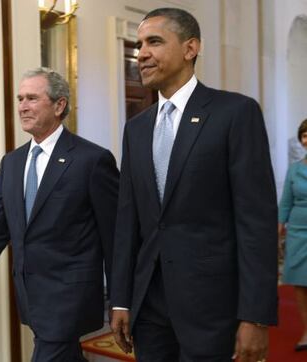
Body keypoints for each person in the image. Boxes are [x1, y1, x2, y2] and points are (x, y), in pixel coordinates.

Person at [110, 8, 278, 362]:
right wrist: (121, 299)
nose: (141, 53)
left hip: (213, 309)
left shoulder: (235, 113)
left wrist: (256, 316)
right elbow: (128, 222)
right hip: (150, 308)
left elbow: (255, 223)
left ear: (190, 48)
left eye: (154, 41)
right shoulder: (136, 129)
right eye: (139, 44)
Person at [0, 68, 119, 362]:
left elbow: (115, 236)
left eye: (32, 98)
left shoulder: (92, 160)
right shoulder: (12, 163)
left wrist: (121, 301)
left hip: (70, 295)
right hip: (31, 295)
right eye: (20, 99)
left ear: (59, 105)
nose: (22, 107)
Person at [279, 118, 307, 352]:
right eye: (304, 134)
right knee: (299, 284)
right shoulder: (294, 169)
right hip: (298, 232)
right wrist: (279, 227)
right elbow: (286, 202)